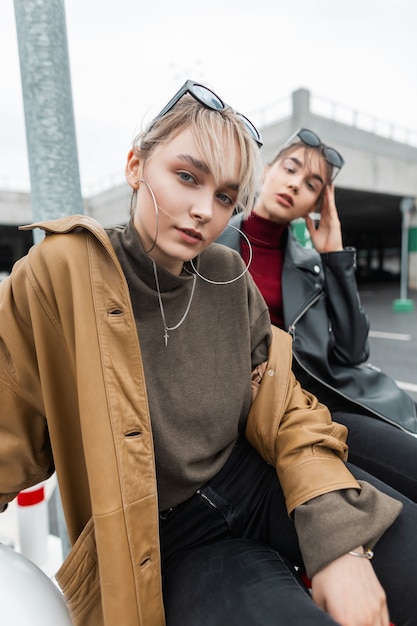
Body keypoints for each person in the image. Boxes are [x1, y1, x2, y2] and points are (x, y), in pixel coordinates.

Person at [0, 81, 416, 626]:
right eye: (186, 177)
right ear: (134, 165)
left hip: (259, 476)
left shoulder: (227, 274)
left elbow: (286, 405)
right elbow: (12, 430)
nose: (203, 210)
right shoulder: (61, 272)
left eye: (223, 196)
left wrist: (341, 544)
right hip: (168, 536)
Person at [217, 127, 417, 502]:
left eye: (311, 184)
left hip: (322, 403)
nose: (294, 185)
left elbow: (353, 352)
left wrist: (334, 259)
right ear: (266, 170)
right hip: (257, 419)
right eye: (290, 169)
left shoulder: (310, 265)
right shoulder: (210, 239)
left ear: (315, 205)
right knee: (378, 508)